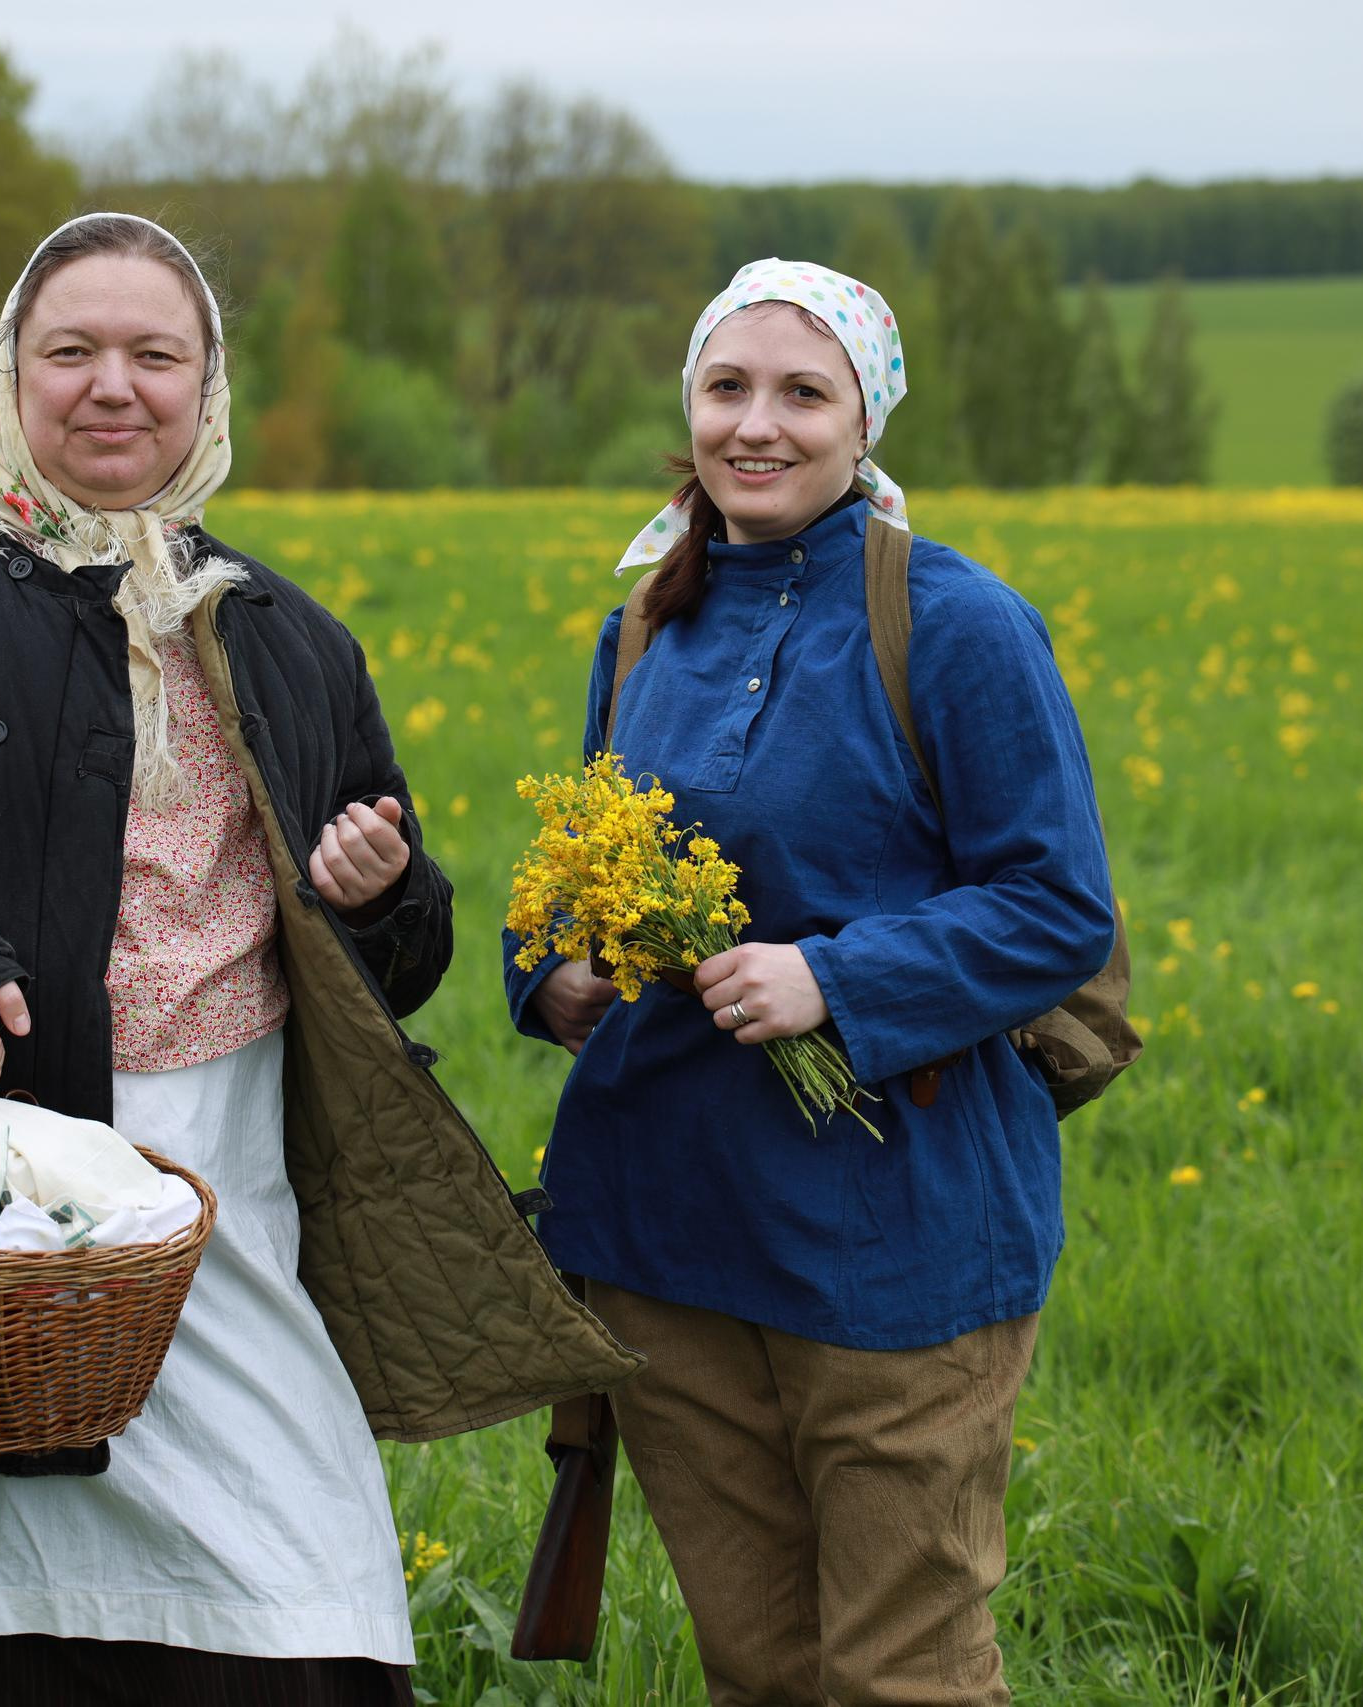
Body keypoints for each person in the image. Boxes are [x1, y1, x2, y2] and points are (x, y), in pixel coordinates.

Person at [0, 212, 637, 1707]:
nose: (115, 386)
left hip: (229, 1217)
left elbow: (400, 962)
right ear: (8, 375)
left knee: (294, 1594)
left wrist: (383, 897)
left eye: (156, 354)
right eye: (72, 352)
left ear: (206, 386)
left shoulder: (286, 636)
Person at [505, 259, 1115, 1706]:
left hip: (892, 1237)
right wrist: (558, 974)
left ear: (865, 422)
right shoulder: (651, 621)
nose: (755, 426)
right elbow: (593, 866)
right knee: (757, 1667)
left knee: (902, 1673)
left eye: (802, 392)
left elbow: (1057, 910)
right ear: (691, 410)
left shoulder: (956, 624)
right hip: (669, 1233)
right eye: (728, 388)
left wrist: (831, 980)